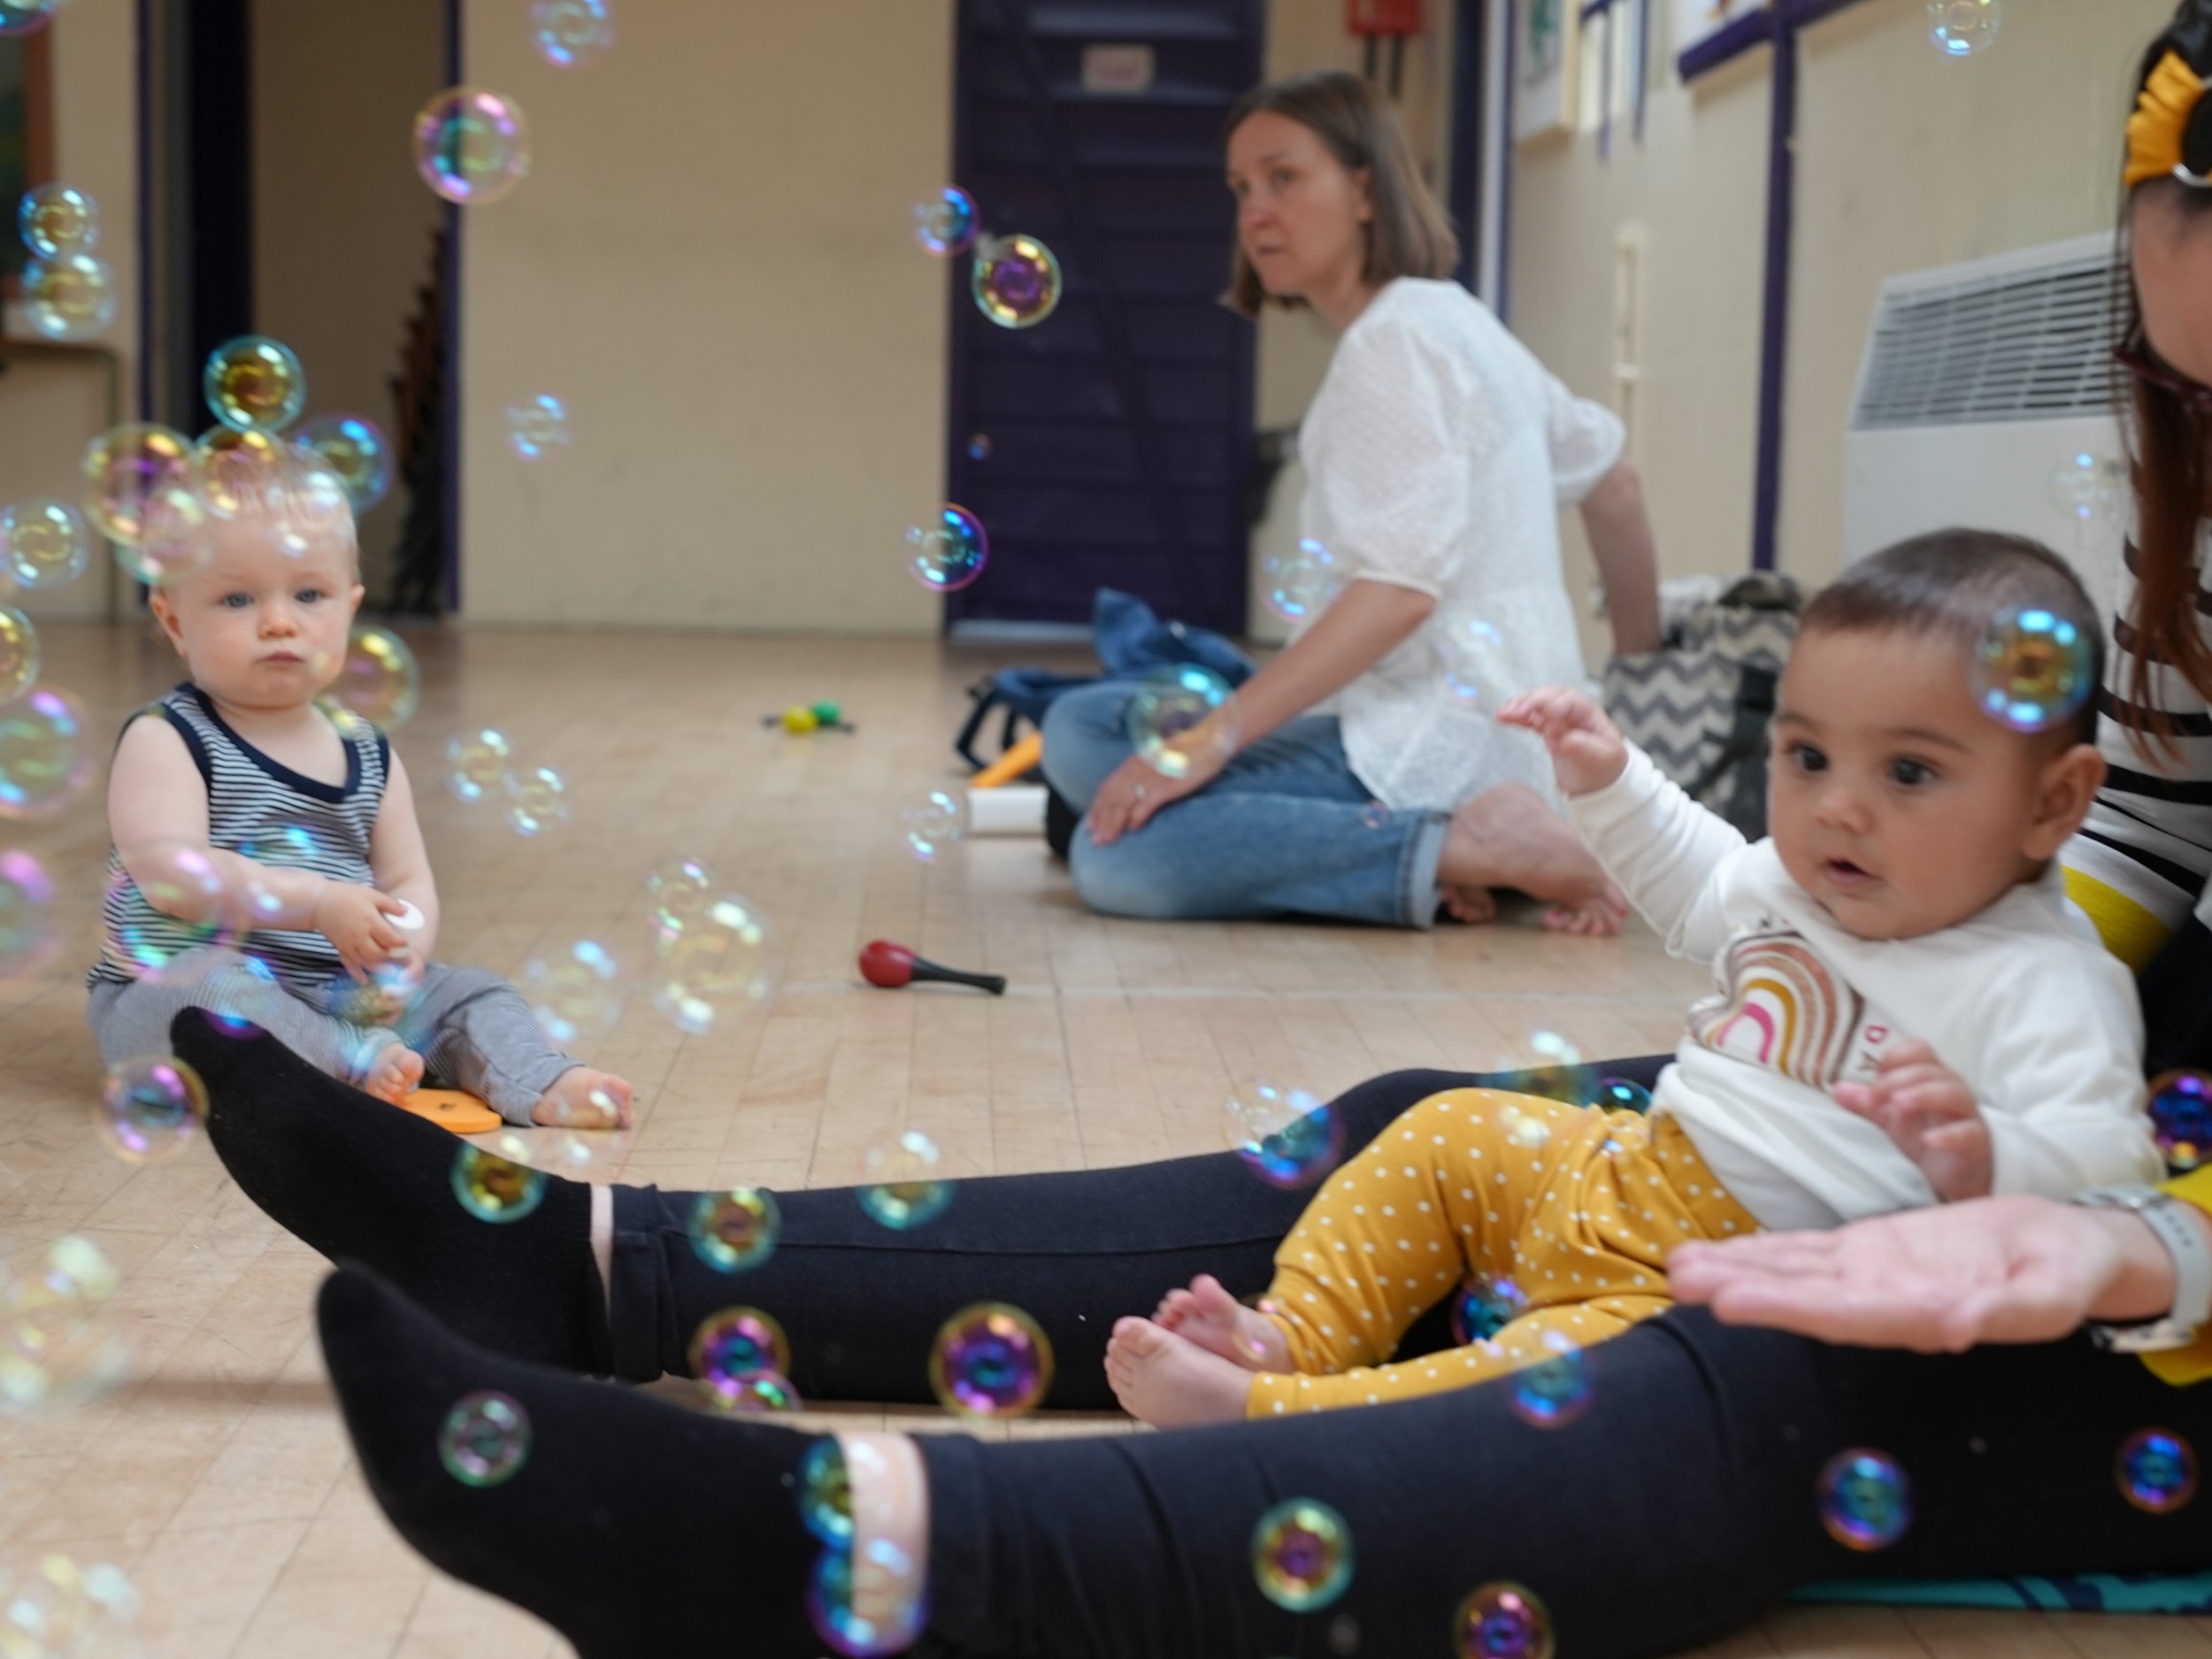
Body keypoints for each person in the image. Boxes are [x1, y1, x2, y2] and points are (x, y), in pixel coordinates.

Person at [183, 6, 2212, 1657]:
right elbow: (2099, 868)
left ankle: (878, 1552)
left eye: (1277, 176)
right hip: (2043, 1094)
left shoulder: (1416, 338)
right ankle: (595, 1263)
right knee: (1432, 1115)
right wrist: (1801, 883)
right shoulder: (2118, 612)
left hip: (2125, 1225)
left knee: (1749, 1339)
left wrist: (2114, 1218)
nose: (1245, 212)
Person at [1105, 532, 2161, 1428]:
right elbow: (1700, 881)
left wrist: (1989, 1158)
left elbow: (2109, 1181)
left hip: (1715, 1293)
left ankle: (1275, 1419)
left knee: (1551, 1385)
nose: (1837, 808)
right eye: (1805, 758)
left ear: (2052, 805)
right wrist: (1613, 781)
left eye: (1909, 772)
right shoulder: (1801, 884)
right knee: (1444, 1130)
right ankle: (1293, 1335)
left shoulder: (2044, 983)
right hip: (1623, 1167)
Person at [1041, 69, 1663, 935]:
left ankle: (1464, 850)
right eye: (1241, 189)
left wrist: (1211, 740)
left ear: (1365, 187)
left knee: (1116, 851)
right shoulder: (1451, 317)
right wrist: (1631, 688)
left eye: (1284, 178)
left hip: (1435, 735)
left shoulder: (1390, 345)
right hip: (1504, 737)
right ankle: (1450, 844)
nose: (1255, 211)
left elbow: (1399, 592)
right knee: (1079, 731)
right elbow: (1616, 481)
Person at [88, 472, 633, 1129]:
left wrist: (403, 955)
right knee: (204, 990)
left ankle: (536, 1079)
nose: (279, 621)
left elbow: (407, 878)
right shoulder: (167, 738)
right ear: (175, 621)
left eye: (310, 594)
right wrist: (318, 903)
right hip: (185, 987)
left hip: (343, 991)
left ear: (349, 608)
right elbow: (174, 879)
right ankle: (350, 1060)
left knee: (473, 992)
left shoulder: (367, 752)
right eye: (236, 599)